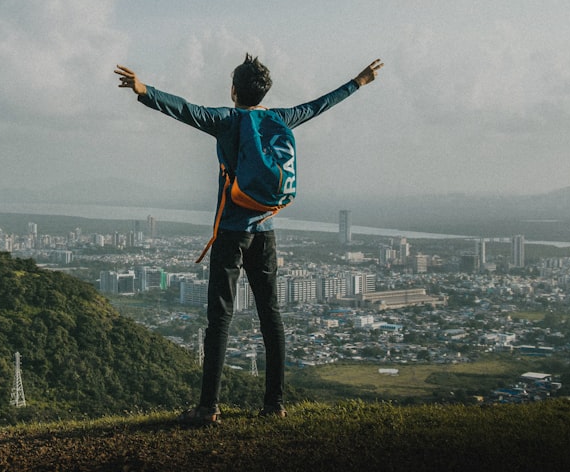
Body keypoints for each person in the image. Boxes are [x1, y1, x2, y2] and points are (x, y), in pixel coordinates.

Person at [114, 54, 382, 424]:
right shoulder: (280, 118)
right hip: (265, 232)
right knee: (270, 315)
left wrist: (144, 91)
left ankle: (208, 407)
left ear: (234, 90)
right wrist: (358, 81)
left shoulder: (227, 120)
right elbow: (318, 105)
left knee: (219, 318)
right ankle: (275, 404)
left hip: (230, 232)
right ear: (264, 91)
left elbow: (186, 110)